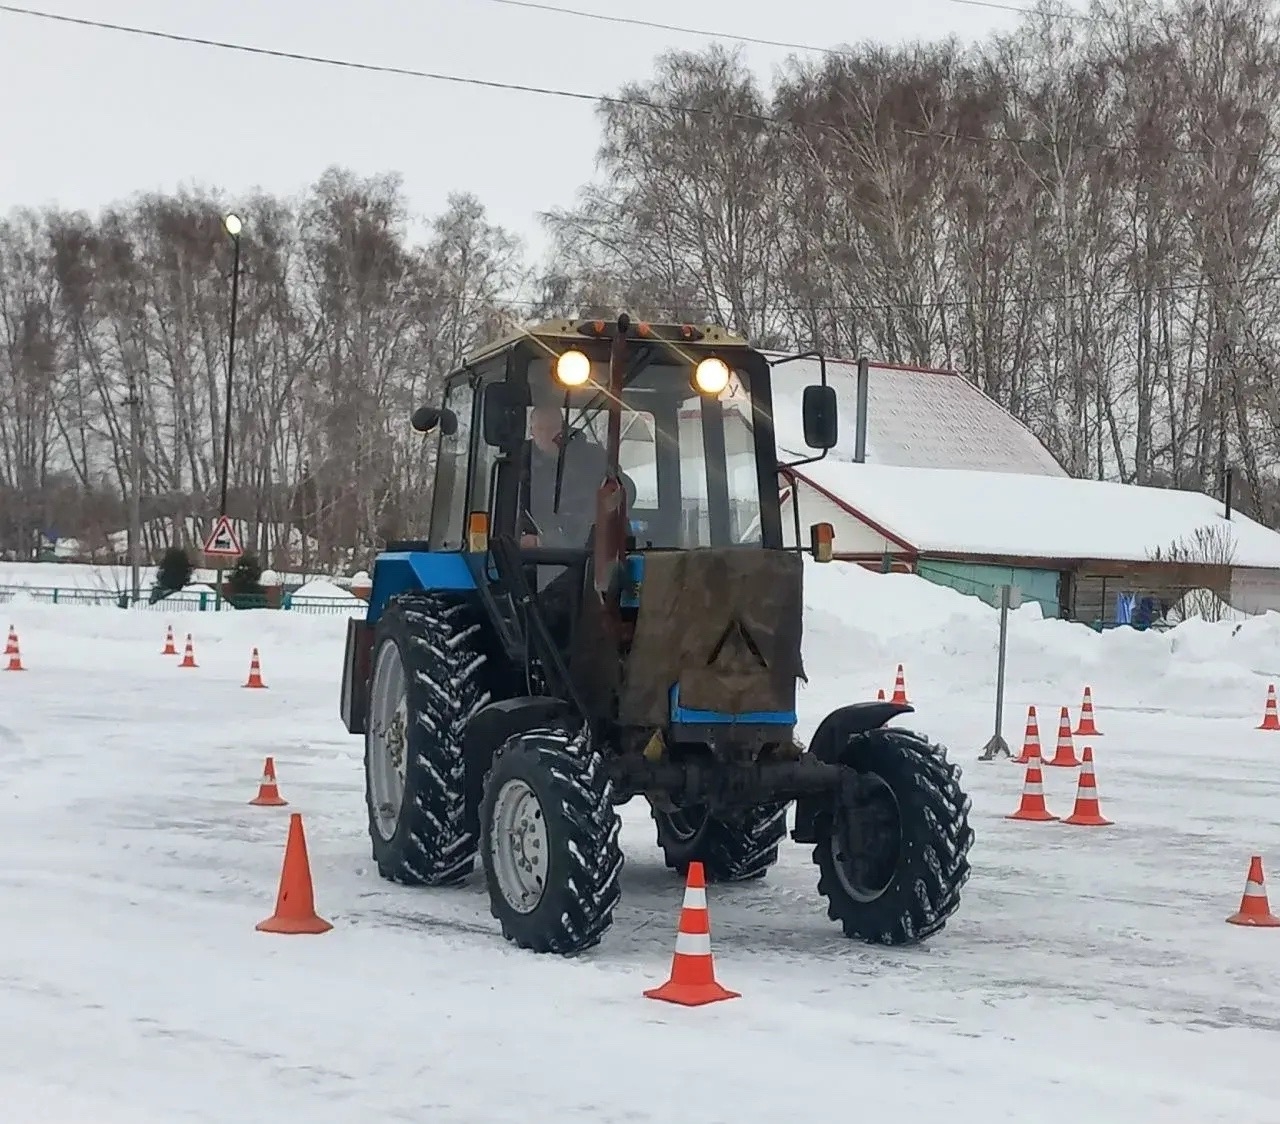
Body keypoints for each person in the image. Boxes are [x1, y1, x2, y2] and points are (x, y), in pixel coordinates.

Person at [521, 404, 609, 549]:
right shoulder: (520, 462)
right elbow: (514, 508)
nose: (546, 435)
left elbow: (623, 490)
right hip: (534, 553)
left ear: (564, 429)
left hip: (589, 546)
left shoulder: (593, 458)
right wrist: (524, 537)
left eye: (551, 429)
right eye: (540, 429)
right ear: (532, 431)